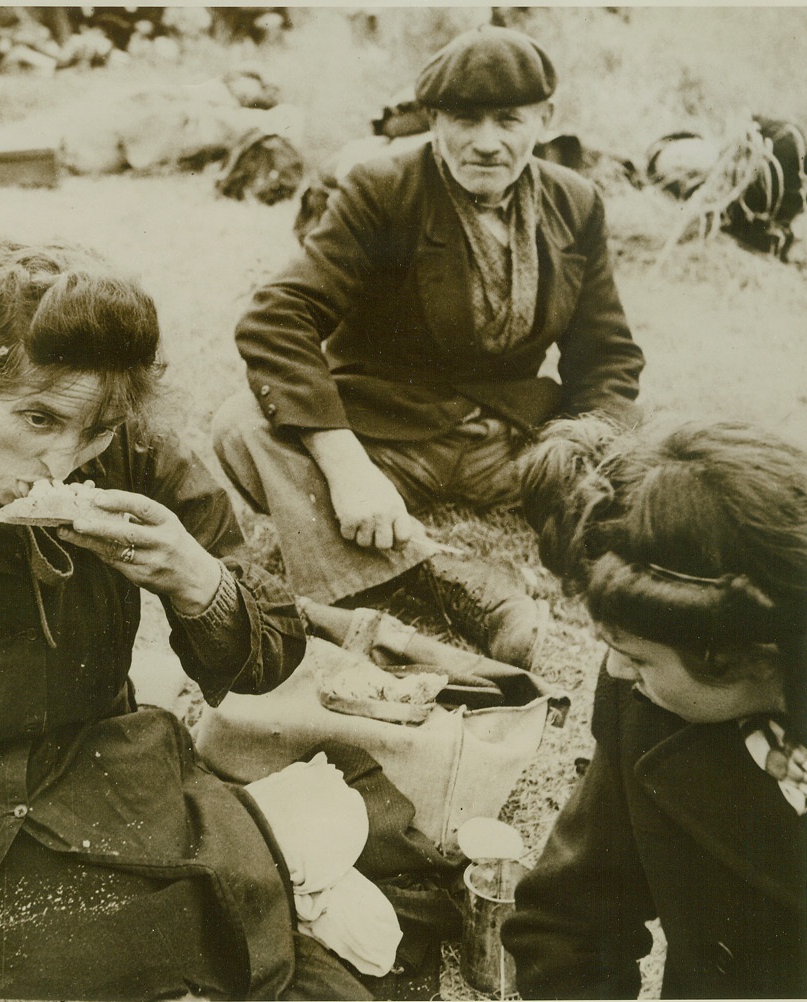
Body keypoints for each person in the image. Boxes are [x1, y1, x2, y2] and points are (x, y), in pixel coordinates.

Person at [0, 240, 377, 1000]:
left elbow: (270, 653)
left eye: (95, 432)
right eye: (37, 417)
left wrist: (196, 579)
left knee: (204, 930)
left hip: (94, 775)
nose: (64, 460)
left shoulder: (136, 459)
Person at [212, 24, 645, 670]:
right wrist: (346, 466)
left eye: (509, 119)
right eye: (465, 119)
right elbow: (277, 318)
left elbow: (606, 356)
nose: (488, 142)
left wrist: (596, 455)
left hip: (508, 443)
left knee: (644, 466)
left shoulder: (575, 202)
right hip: (389, 436)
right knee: (241, 426)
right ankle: (446, 581)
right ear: (434, 118)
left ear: (545, 118)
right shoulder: (382, 188)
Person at [502, 415, 807, 998]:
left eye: (639, 659)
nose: (616, 672)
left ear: (751, 658)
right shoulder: (646, 704)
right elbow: (570, 922)